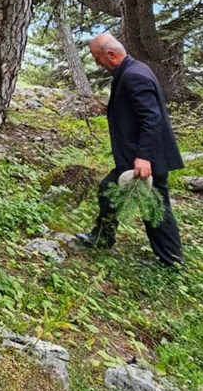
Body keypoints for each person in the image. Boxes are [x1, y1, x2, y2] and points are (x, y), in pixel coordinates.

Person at [77, 33, 185, 266]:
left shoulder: (135, 76)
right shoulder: (132, 70)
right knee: (110, 190)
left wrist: (144, 157)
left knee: (154, 207)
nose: (97, 63)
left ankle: (171, 261)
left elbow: (151, 119)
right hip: (139, 155)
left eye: (97, 58)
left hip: (147, 158)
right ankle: (103, 236)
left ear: (112, 55)